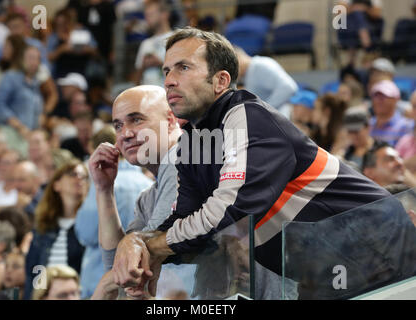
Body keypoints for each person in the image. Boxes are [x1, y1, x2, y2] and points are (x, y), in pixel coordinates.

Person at [110, 27, 403, 299]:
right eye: (166, 70)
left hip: (388, 257)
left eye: (183, 67)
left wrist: (150, 246)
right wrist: (134, 241)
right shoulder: (193, 141)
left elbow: (229, 207)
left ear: (221, 81)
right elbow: (184, 220)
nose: (169, 80)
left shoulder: (247, 115)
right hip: (335, 277)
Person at [89, 85, 194, 300]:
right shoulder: (146, 199)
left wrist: (101, 290)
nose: (125, 134)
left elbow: (130, 267)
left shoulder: (183, 161)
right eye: (118, 125)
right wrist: (104, 190)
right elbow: (116, 266)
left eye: (137, 120)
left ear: (171, 119)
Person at [74, 124, 153, 299]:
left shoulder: (103, 177)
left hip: (102, 279)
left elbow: (85, 233)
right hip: (143, 283)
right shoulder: (148, 184)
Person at [24, 159, 88, 300]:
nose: (79, 179)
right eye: (72, 174)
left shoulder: (91, 225)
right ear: (56, 185)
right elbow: (33, 272)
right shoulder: (43, 226)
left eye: (84, 176)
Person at [0, 45, 44, 136]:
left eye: (37, 59)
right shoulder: (11, 77)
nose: (34, 62)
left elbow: (38, 111)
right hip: (10, 133)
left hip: (29, 135)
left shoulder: (35, 83)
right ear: (21, 59)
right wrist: (17, 125)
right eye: (31, 58)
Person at [235, 46, 298, 116]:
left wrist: (264, 110)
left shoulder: (260, 66)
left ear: (238, 58)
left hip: (281, 120)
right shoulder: (248, 74)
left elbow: (288, 87)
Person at [133, 0, 173, 86]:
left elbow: (183, 73)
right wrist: (143, 66)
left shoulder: (176, 39)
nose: (147, 19)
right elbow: (136, 80)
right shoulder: (145, 43)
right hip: (148, 95)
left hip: (168, 94)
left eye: (151, 14)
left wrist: (160, 63)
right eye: (146, 15)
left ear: (164, 14)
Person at [369, 79, 414, 147]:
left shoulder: (407, 126)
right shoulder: (368, 125)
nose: (378, 100)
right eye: (375, 96)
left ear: (396, 99)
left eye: (383, 96)